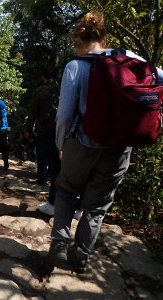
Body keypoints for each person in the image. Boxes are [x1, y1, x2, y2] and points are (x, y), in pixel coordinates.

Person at [46, 11, 163, 275]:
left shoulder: (76, 66)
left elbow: (64, 115)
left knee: (65, 190)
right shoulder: (134, 59)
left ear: (78, 40)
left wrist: (61, 145)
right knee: (97, 205)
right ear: (104, 37)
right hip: (120, 149)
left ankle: (58, 246)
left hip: (82, 144)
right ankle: (81, 256)